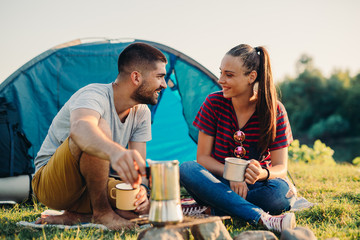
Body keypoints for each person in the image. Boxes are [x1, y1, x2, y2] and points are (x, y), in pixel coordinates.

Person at [32, 43, 167, 230]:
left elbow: (138, 169)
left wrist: (141, 191)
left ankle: (77, 216)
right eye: (160, 77)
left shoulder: (142, 112)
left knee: (141, 209)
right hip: (51, 184)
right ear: (136, 77)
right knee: (98, 126)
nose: (164, 84)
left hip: (92, 185)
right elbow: (81, 128)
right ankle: (102, 213)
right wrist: (115, 152)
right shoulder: (94, 95)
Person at [180, 44, 296, 232]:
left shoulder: (275, 110)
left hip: (256, 186)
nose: (221, 80)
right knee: (187, 169)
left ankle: (212, 208)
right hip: (219, 181)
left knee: (280, 194)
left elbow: (281, 167)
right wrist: (231, 174)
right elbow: (202, 158)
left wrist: (262, 174)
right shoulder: (213, 103)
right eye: (221, 73)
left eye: (229, 75)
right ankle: (260, 217)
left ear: (251, 77)